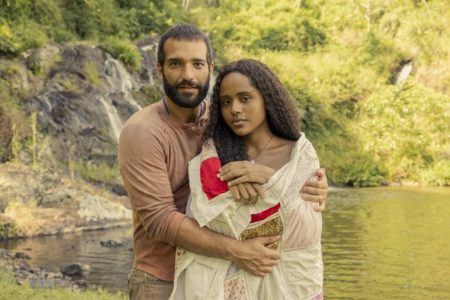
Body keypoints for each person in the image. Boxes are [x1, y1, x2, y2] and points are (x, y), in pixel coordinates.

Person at [118, 24, 328, 300]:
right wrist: (238, 250)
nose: (188, 75)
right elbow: (159, 219)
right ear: (159, 69)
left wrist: (307, 183)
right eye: (175, 64)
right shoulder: (143, 131)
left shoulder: (222, 123)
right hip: (163, 277)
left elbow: (280, 177)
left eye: (197, 64)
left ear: (210, 68)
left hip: (227, 275)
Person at [170, 59, 324, 299]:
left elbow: (307, 216)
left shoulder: (300, 151)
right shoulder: (214, 158)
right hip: (234, 284)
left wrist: (269, 177)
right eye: (226, 102)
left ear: (266, 99)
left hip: (298, 280)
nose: (234, 110)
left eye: (245, 98)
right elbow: (209, 219)